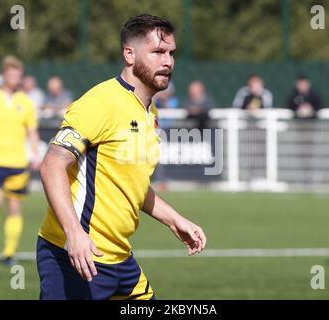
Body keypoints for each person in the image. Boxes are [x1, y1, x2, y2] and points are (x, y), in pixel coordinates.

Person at [37, 14, 206, 300]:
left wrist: (175, 220)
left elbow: (132, 183)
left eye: (171, 53)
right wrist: (74, 234)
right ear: (129, 54)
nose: (168, 61)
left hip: (120, 259)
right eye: (158, 52)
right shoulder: (100, 102)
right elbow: (52, 165)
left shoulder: (150, 112)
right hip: (77, 257)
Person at [0, 56, 40, 266]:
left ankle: (10, 253)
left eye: (17, 74)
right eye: (11, 74)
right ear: (4, 75)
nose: (14, 78)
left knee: (14, 209)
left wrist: (36, 154)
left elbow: (32, 131)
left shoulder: (26, 102)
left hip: (18, 163)